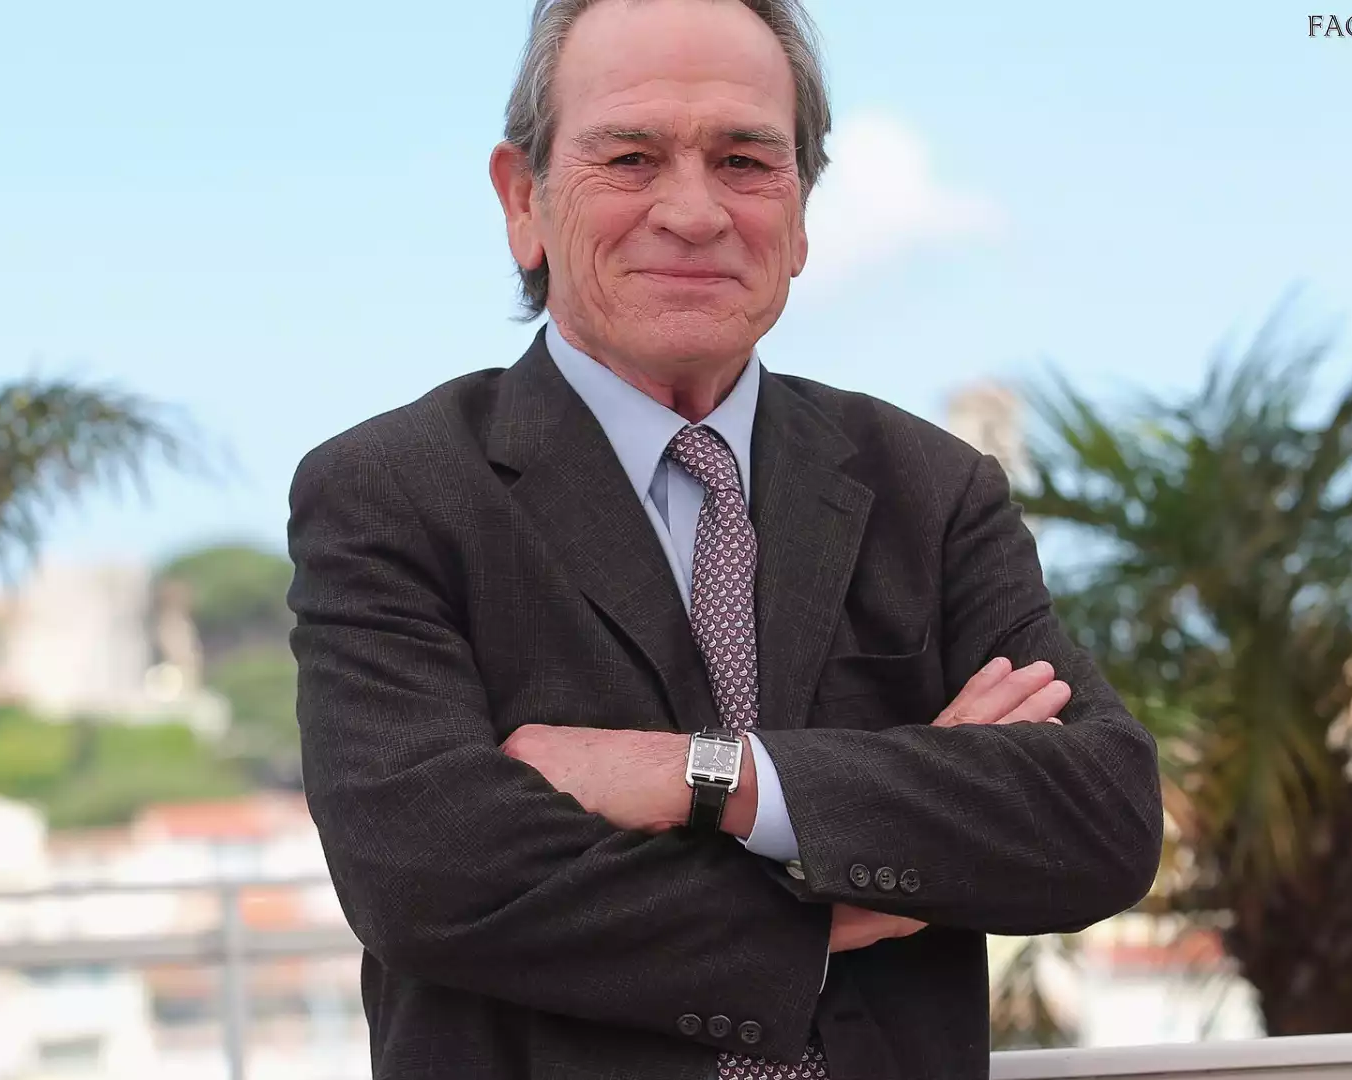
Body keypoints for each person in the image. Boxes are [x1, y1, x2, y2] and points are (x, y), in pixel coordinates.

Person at [285, 1, 1164, 1077]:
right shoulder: (394, 492)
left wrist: (705, 777)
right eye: (631, 158)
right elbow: (429, 875)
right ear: (524, 201)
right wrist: (846, 895)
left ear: (802, 212)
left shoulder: (931, 491)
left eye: (745, 161)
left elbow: (1098, 816)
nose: (695, 213)